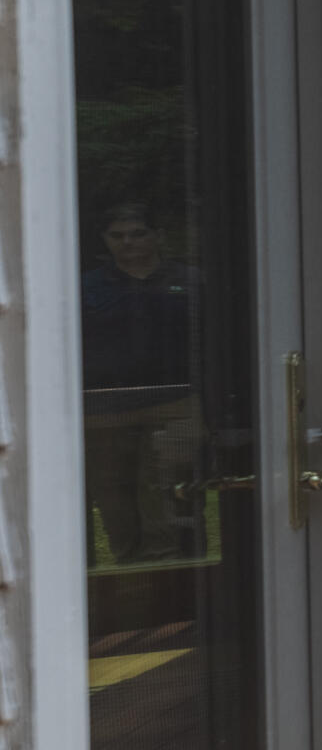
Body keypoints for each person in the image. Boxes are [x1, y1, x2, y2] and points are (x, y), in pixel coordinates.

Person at [81, 203, 203, 567]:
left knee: (167, 499)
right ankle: (130, 591)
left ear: (158, 236)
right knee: (113, 502)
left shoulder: (191, 281)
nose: (128, 242)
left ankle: (172, 590)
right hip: (102, 411)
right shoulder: (85, 288)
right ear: (105, 240)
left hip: (176, 405)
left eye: (137, 233)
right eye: (117, 235)